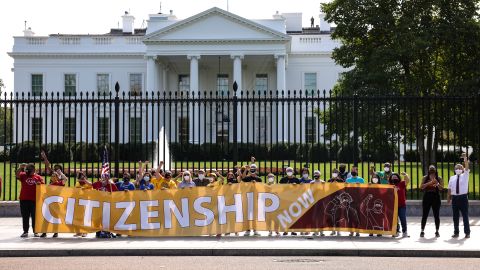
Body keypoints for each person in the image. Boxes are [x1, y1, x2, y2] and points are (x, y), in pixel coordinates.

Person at [17, 163, 44, 238]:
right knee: (25, 216)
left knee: (35, 216)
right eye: (27, 169)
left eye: (29, 169)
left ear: (33, 170)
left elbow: (43, 186)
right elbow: (17, 175)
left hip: (34, 200)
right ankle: (25, 231)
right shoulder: (23, 175)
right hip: (24, 199)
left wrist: (39, 184)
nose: (27, 171)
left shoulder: (38, 177)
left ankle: (36, 231)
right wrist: (20, 167)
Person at [447, 153, 470, 238]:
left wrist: (465, 159)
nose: (458, 169)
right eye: (456, 168)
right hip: (455, 198)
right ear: (454, 169)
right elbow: (449, 188)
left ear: (463, 169)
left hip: (463, 198)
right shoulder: (452, 178)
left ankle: (467, 232)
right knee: (455, 217)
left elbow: (467, 167)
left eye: (460, 167)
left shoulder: (465, 175)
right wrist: (448, 198)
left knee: (465, 216)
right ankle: (456, 232)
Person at [420, 165, 443, 238]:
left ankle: (437, 230)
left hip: (436, 197)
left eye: (433, 171)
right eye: (431, 171)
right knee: (425, 214)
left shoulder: (439, 178)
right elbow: (421, 187)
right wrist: (429, 183)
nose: (432, 173)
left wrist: (437, 183)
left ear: (435, 171)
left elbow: (441, 188)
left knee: (436, 215)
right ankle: (422, 230)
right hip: (427, 197)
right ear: (429, 171)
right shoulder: (425, 177)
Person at [279, 167, 300, 236]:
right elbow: (279, 188)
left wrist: (296, 186)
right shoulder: (283, 179)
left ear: (293, 172)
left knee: (293, 215)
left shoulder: (296, 180)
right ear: (286, 172)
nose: (289, 172)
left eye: (290, 171)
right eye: (288, 171)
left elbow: (301, 189)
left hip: (294, 199)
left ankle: (293, 230)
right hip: (285, 199)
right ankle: (285, 230)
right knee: (286, 215)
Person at [389, 172, 410, 238]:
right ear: (390, 179)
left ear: (398, 178)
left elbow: (407, 181)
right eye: (393, 177)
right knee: (394, 220)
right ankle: (396, 231)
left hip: (401, 205)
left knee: (403, 218)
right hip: (393, 206)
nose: (394, 178)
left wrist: (406, 175)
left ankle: (405, 232)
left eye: (396, 177)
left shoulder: (401, 184)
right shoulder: (389, 185)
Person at [74, 171, 91, 237]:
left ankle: (85, 232)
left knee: (84, 217)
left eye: (83, 176)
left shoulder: (87, 183)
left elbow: (91, 185)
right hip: (78, 202)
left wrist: (85, 181)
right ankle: (78, 232)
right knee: (78, 217)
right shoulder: (77, 183)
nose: (81, 178)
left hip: (85, 202)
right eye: (80, 176)